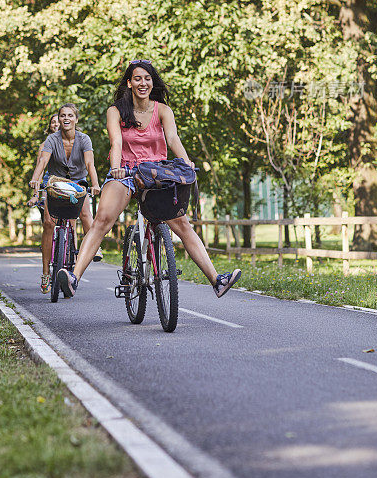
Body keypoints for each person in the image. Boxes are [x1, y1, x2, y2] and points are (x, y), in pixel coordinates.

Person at [58, 60, 241, 299]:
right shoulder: (116, 111)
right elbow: (117, 143)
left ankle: (217, 280)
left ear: (152, 82)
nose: (142, 83)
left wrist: (185, 162)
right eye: (137, 78)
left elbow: (173, 140)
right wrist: (115, 168)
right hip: (126, 173)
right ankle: (74, 277)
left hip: (157, 175)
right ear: (129, 83)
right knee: (102, 220)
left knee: (183, 226)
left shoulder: (162, 110)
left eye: (147, 78)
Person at [29, 104, 101, 293]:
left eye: (70, 115)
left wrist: (95, 184)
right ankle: (46, 273)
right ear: (59, 119)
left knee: (85, 212)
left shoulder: (84, 139)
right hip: (55, 181)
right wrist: (35, 180)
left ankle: (94, 246)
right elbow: (43, 161)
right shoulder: (51, 139)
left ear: (76, 119)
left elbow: (89, 163)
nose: (66, 118)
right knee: (48, 223)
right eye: (62, 115)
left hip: (78, 182)